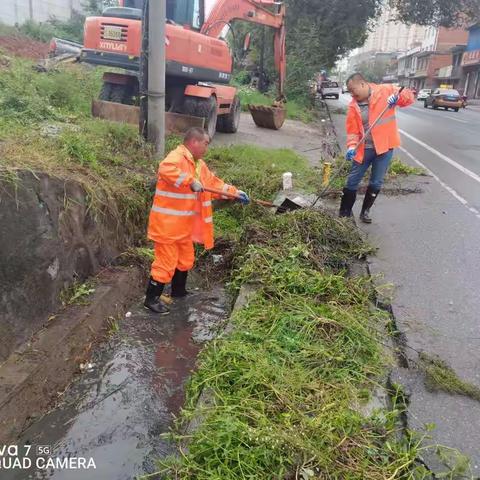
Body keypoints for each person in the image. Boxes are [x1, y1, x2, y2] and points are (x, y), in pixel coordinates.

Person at [144, 127, 250, 314]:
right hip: (166, 227)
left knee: (185, 260)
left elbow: (214, 183)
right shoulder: (178, 157)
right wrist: (189, 181)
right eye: (205, 143)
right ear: (194, 142)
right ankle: (151, 299)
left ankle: (178, 291)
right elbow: (165, 168)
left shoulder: (198, 164)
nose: (207, 148)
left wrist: (235, 192)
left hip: (183, 228)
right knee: (165, 263)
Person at [339, 73, 414, 223]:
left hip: (384, 148)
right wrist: (351, 147)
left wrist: (397, 98)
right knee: (352, 181)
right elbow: (352, 131)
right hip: (363, 150)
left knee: (376, 182)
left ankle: (365, 211)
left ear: (362, 84)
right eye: (350, 92)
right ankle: (344, 212)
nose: (352, 94)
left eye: (353, 90)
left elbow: (409, 96)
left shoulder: (386, 90)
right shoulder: (353, 106)